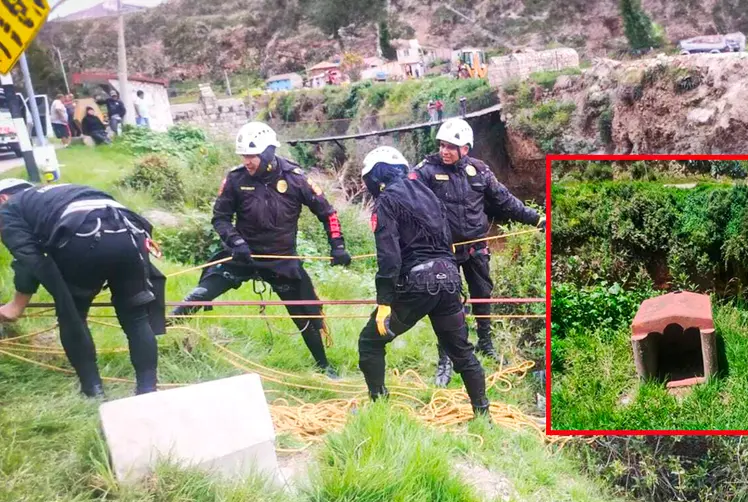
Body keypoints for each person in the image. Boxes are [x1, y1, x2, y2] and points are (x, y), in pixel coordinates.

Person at [171, 122, 351, 378]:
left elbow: (328, 213)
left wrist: (338, 245)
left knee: (306, 314)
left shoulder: (296, 178)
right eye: (243, 155)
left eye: (251, 156)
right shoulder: (235, 179)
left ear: (267, 153)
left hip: (281, 259)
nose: (246, 161)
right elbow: (220, 218)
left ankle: (323, 366)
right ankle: (164, 329)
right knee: (200, 293)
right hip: (242, 254)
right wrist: (236, 243)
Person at [0, 179, 165, 397]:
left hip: (83, 234)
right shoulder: (59, 192)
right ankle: (147, 390)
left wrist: (19, 305)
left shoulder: (9, 209)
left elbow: (27, 258)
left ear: (2, 198)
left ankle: (93, 392)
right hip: (129, 231)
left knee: (73, 315)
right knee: (136, 318)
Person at [411, 118, 545, 386]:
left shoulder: (480, 171)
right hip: (443, 252)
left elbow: (505, 201)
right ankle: (446, 358)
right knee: (446, 303)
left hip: (476, 248)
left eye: (451, 147)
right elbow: (407, 200)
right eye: (442, 145)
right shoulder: (425, 171)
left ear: (465, 148)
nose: (444, 151)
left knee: (483, 295)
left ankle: (485, 343)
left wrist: (537, 219)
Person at [357, 146, 489, 417]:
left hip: (417, 285)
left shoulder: (386, 201)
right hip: (449, 279)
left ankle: (378, 406)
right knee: (462, 353)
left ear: (376, 176)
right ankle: (483, 415)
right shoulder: (429, 194)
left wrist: (384, 303)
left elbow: (389, 258)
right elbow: (447, 242)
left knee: (370, 341)